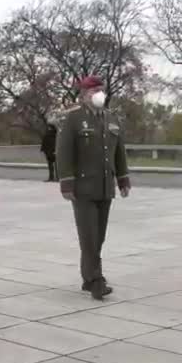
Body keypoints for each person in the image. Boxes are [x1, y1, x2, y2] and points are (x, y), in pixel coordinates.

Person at [55, 75, 131, 300]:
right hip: (83, 187)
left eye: (101, 90)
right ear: (84, 95)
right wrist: (66, 183)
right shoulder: (73, 119)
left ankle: (89, 278)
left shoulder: (111, 118)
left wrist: (123, 180)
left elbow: (119, 152)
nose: (98, 94)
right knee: (89, 237)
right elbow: (64, 152)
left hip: (105, 186)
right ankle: (96, 280)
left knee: (99, 237)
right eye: (93, 91)